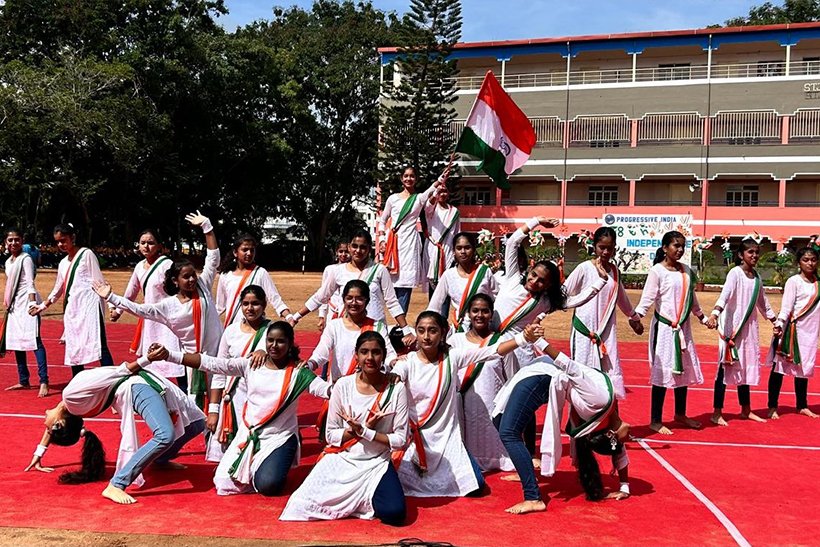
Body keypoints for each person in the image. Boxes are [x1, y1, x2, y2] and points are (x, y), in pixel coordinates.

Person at [156, 321, 332, 496]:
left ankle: (277, 462)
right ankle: (259, 468)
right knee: (222, 481)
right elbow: (213, 364)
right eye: (270, 340)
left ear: (290, 343)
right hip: (248, 436)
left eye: (280, 341)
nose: (274, 345)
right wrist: (169, 355)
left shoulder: (298, 373)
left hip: (279, 437)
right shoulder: (252, 364)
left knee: (268, 486)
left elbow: (324, 390)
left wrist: (344, 386)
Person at [24, 345, 206, 505]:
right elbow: (120, 372)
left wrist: (39, 452)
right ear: (59, 423)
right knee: (165, 435)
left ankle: (159, 460)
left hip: (144, 381)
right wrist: (148, 358)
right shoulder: (71, 398)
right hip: (136, 386)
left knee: (197, 423)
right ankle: (117, 484)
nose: (44, 424)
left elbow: (57, 424)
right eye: (47, 427)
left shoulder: (73, 406)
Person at [391, 311, 542, 498]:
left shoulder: (451, 357)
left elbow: (491, 351)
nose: (426, 336)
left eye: (432, 331)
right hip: (415, 440)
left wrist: (523, 338)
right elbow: (394, 377)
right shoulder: (407, 362)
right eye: (421, 331)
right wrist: (392, 369)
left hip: (447, 439)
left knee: (476, 486)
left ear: (443, 333)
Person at [94, 211, 222, 408]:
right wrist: (111, 299)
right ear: (175, 280)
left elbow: (213, 259)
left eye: (192, 275)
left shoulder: (202, 285)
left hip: (219, 354)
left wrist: (207, 227)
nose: (191, 279)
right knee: (196, 405)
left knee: (224, 400)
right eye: (185, 277)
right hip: (195, 360)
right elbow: (139, 308)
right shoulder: (168, 306)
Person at [280, 331, 409, 525]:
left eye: (376, 352)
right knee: (299, 505)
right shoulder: (342, 386)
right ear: (356, 355)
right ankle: (359, 503)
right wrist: (354, 431)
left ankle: (361, 500)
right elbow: (330, 435)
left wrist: (365, 431)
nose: (370, 357)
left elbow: (400, 440)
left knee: (395, 513)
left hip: (376, 463)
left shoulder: (396, 389)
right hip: (343, 458)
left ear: (383, 355)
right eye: (364, 352)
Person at [492, 338, 631, 515]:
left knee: (508, 432)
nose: (629, 438)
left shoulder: (601, 403)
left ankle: (533, 498)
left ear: (611, 434)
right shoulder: (607, 414)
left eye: (625, 439)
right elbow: (618, 449)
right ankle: (525, 467)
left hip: (543, 376)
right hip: (544, 370)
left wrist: (538, 341)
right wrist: (624, 486)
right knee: (499, 420)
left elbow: (570, 367)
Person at [633, 230, 712, 435]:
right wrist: (636, 317)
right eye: (676, 245)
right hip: (665, 330)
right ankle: (655, 420)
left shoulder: (686, 271)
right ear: (665, 248)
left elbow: (691, 299)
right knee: (662, 372)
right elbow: (647, 299)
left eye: (682, 246)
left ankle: (680, 414)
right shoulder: (657, 271)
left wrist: (703, 318)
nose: (680, 250)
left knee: (682, 370)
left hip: (683, 329)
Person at [304, 280, 397, 442]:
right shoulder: (334, 326)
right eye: (349, 298)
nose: (354, 303)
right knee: (336, 443)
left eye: (359, 298)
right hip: (341, 394)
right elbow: (321, 353)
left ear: (367, 301)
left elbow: (389, 355)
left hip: (368, 394)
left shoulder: (378, 327)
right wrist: (310, 364)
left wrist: (394, 364)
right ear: (343, 299)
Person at [292, 230, 414, 344]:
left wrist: (406, 330)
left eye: (363, 247)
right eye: (355, 246)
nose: (358, 251)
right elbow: (320, 297)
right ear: (349, 247)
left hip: (374, 328)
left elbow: (392, 302)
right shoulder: (338, 271)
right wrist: (296, 317)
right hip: (347, 329)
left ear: (369, 249)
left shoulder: (379, 270)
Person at [563, 226, 643, 400]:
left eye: (610, 248)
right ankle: (580, 413)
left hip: (606, 331)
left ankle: (607, 414)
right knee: (582, 375)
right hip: (584, 331)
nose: (606, 252)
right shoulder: (584, 268)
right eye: (602, 247)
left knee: (609, 375)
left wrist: (634, 318)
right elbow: (564, 293)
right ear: (594, 246)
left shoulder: (615, 272)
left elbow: (622, 298)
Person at [705, 238, 776, 425]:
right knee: (725, 368)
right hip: (732, 329)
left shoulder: (757, 277)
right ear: (741, 255)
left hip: (749, 330)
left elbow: (763, 303)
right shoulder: (735, 273)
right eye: (750, 252)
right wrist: (714, 314)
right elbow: (725, 295)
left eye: (756, 252)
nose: (754, 255)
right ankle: (717, 412)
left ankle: (746, 409)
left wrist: (775, 321)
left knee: (744, 366)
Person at [30, 223, 114, 376]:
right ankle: (77, 382)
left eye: (63, 240)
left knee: (100, 345)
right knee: (74, 348)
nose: (60, 244)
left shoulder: (86, 254)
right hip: (73, 311)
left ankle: (113, 381)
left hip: (89, 309)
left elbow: (100, 282)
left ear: (72, 237)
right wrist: (41, 306)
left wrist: (112, 306)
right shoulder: (63, 263)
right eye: (58, 242)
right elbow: (58, 289)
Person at [448, 293, 516, 472]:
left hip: (492, 404)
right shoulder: (455, 341)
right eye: (475, 311)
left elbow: (512, 378)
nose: (480, 315)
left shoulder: (501, 342)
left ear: (491, 314)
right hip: (462, 403)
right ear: (468, 314)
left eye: (485, 311)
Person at [110, 229, 185, 387]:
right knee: (151, 361)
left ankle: (185, 394)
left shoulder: (167, 265)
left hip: (169, 319)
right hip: (150, 320)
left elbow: (178, 290)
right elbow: (131, 292)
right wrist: (118, 311)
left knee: (175, 359)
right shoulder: (139, 267)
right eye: (142, 243)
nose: (146, 246)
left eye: (151, 243)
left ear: (159, 246)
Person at [206, 285, 271, 462]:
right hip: (233, 399)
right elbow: (219, 370)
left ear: (264, 304)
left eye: (255, 303)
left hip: (260, 401)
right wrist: (213, 410)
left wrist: (266, 353)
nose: (250, 308)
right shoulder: (231, 331)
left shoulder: (272, 331)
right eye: (245, 304)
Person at [378, 167, 445, 313]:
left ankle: (400, 321)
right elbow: (382, 221)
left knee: (405, 284)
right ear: (401, 178)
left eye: (412, 176)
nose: (409, 179)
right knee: (390, 285)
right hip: (393, 244)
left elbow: (430, 190)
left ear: (416, 179)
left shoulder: (419, 198)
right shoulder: (393, 199)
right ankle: (391, 319)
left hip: (410, 245)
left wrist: (440, 179)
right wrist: (382, 239)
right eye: (406, 176)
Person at [767, 246, 820, 419]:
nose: (810, 263)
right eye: (806, 260)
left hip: (810, 332)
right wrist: (779, 324)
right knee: (779, 369)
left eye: (813, 260)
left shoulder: (818, 283)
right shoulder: (793, 281)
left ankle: (802, 405)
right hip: (791, 332)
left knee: (804, 368)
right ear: (799, 262)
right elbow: (786, 307)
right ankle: (772, 406)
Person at [2, 229, 49, 396]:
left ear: (22, 241)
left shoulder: (26, 258)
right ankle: (24, 380)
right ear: (6, 243)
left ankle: (44, 381)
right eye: (10, 240)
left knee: (35, 341)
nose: (13, 243)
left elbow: (30, 283)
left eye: (17, 239)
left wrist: (33, 304)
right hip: (15, 306)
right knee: (17, 343)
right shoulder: (8, 262)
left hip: (27, 304)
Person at [427, 232, 498, 332]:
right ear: (454, 251)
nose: (463, 251)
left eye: (467, 248)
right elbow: (434, 306)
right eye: (459, 248)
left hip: (483, 327)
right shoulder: (448, 275)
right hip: (461, 328)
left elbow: (496, 299)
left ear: (474, 250)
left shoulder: (484, 272)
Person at [216, 233, 291, 327]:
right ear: (235, 252)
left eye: (252, 250)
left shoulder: (260, 273)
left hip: (256, 328)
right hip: (233, 328)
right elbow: (219, 307)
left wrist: (288, 316)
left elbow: (275, 299)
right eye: (245, 250)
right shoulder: (225, 275)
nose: (249, 253)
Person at [424, 182, 461, 305]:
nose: (442, 194)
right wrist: (436, 189)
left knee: (446, 283)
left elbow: (457, 233)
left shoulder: (454, 211)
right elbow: (428, 204)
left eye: (445, 191)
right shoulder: (431, 209)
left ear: (448, 193)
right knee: (433, 284)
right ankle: (433, 311)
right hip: (432, 249)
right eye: (440, 192)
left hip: (448, 251)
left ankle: (443, 315)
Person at [317, 242, 351, 331]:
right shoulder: (330, 269)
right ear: (336, 252)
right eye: (341, 251)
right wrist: (321, 316)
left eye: (346, 252)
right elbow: (324, 294)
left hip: (348, 312)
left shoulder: (354, 271)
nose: (343, 254)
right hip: (332, 312)